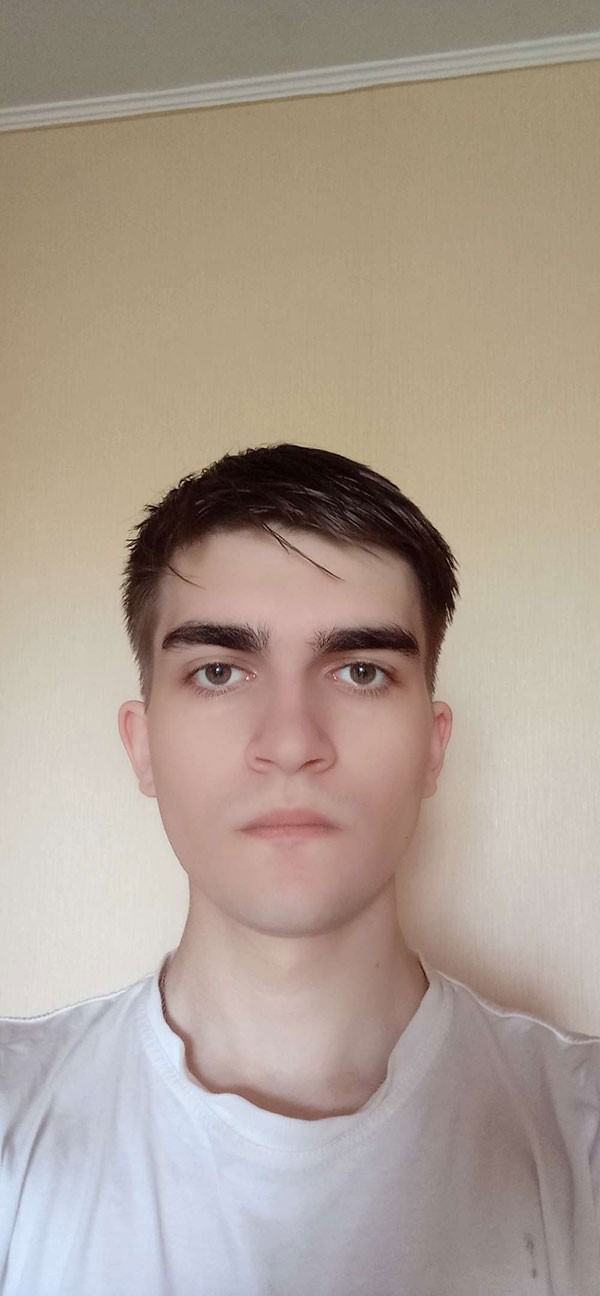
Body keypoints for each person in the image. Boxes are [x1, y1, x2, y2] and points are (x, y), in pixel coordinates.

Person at [1, 442, 598, 1295]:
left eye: (360, 671)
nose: (290, 742)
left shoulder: (579, 1132)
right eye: (218, 672)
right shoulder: (15, 1116)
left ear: (434, 749)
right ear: (143, 746)